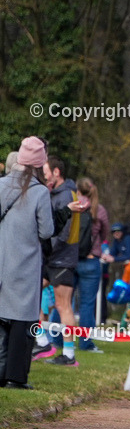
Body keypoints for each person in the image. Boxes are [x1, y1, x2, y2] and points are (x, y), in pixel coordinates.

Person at [0, 138, 58, 388]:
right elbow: (46, 231)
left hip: (2, 261)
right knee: (24, 325)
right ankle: (16, 376)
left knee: (1, 320)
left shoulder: (1, 185)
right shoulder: (39, 192)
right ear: (38, 163)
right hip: (25, 265)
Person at [43, 155, 86, 367]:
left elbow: (64, 232)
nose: (44, 177)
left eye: (46, 172)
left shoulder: (67, 195)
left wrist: (48, 250)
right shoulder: (56, 194)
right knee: (32, 295)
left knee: (63, 306)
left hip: (61, 258)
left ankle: (69, 354)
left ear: (56, 172)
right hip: (52, 257)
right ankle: (41, 342)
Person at [75, 177, 110, 354]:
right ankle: (85, 343)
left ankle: (56, 338)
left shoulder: (72, 205)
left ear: (78, 190)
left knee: (64, 302)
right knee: (87, 305)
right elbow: (105, 234)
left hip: (71, 259)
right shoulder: (99, 210)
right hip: (91, 260)